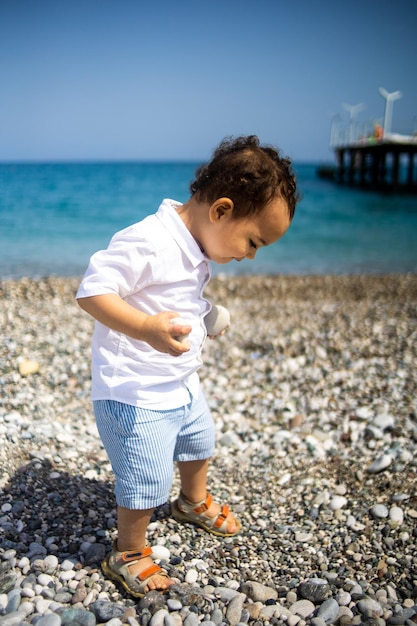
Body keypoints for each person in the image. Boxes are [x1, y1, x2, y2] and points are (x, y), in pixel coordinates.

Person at [76, 135, 299, 598]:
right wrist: (144, 328)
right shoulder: (148, 240)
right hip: (134, 391)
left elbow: (176, 297)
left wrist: (206, 315)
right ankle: (128, 551)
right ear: (220, 210)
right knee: (145, 479)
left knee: (201, 440)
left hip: (179, 382)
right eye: (253, 241)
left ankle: (192, 501)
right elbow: (92, 291)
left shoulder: (197, 244)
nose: (251, 255)